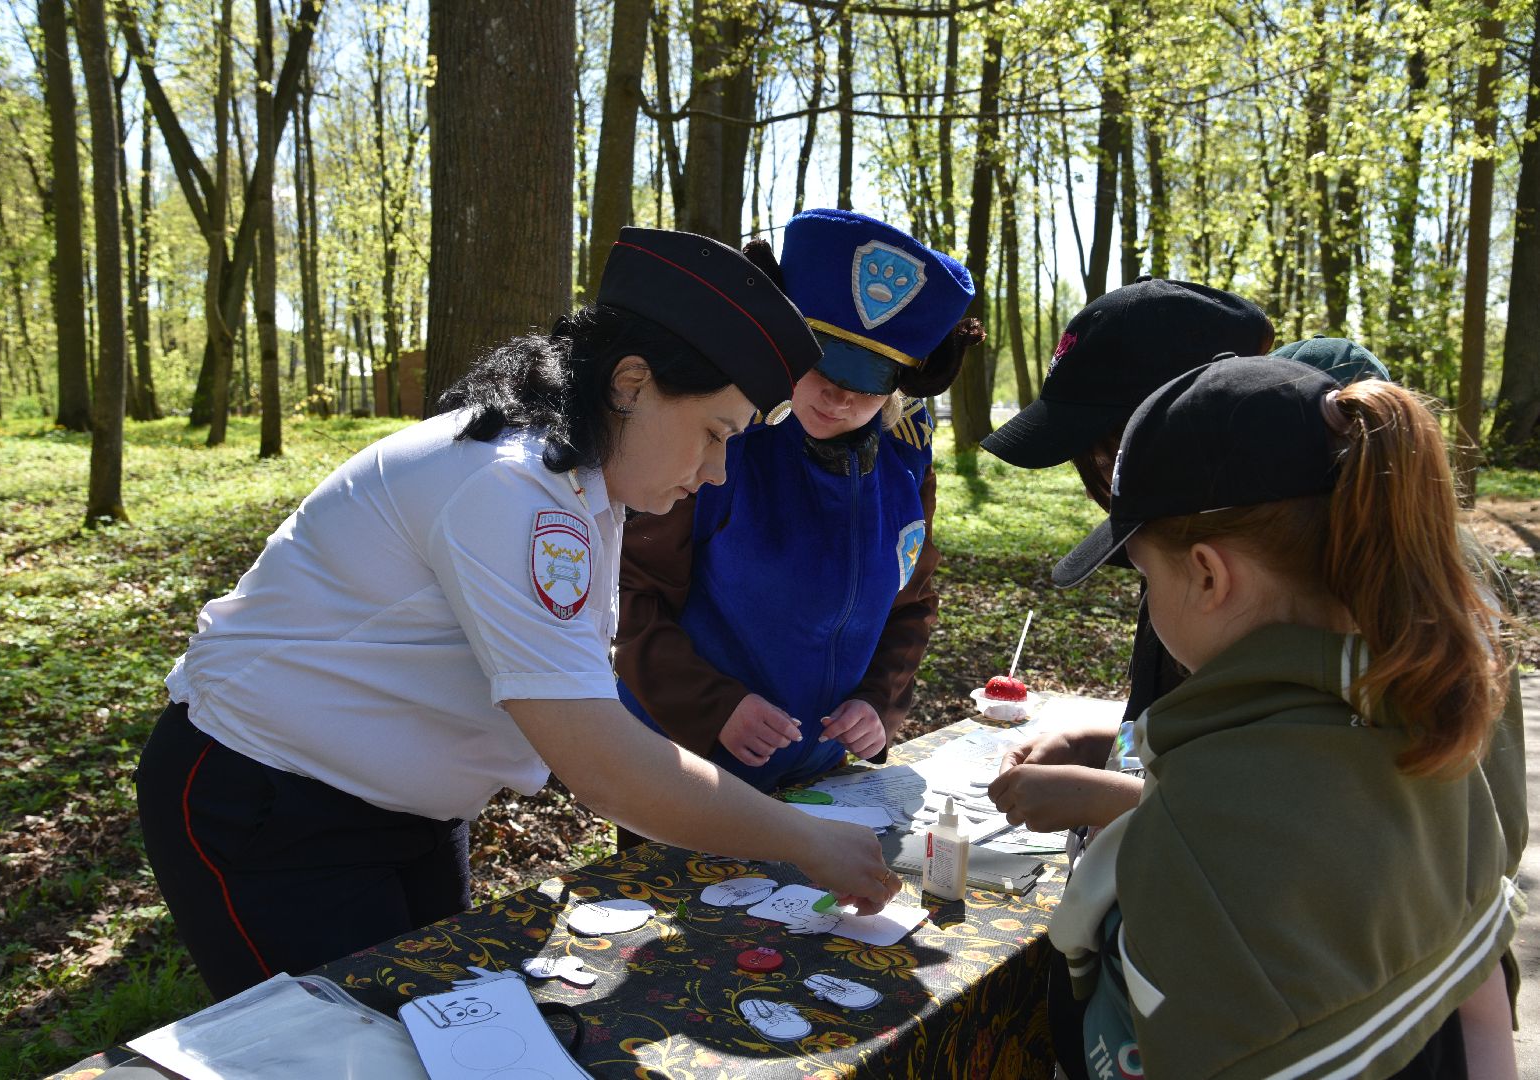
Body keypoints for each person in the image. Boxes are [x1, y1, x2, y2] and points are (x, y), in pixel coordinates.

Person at [134, 227, 901, 1000]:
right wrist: (803, 839)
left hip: (405, 812)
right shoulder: (510, 482)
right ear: (631, 383)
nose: (716, 471)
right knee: (346, 1043)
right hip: (269, 802)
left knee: (450, 1023)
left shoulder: (580, 478)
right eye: (714, 434)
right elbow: (603, 765)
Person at [1046, 356, 1519, 1078]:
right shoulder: (1435, 716)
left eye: (1146, 577)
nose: (1147, 601)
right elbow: (1480, 991)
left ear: (1209, 574)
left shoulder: (1204, 823)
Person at [614, 208, 981, 799]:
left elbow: (911, 604)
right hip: (687, 773)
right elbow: (630, 595)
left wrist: (877, 700)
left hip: (824, 782)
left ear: (901, 382)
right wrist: (714, 705)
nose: (837, 397)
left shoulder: (904, 466)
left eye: (867, 382)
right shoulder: (719, 444)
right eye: (821, 366)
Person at [980, 278, 1275, 832]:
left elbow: (1278, 815)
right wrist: (1098, 745)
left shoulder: (1277, 602)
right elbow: (1167, 724)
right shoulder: (1172, 550)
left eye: (1102, 457)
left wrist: (1113, 799)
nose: (1100, 488)